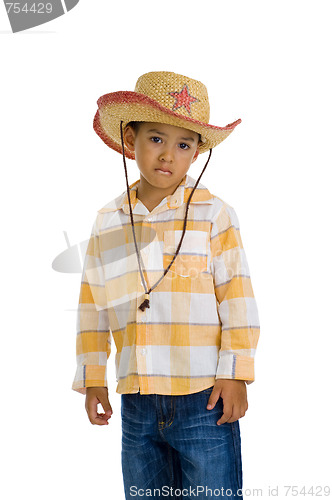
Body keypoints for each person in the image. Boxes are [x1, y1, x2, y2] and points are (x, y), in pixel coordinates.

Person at [72, 71, 260, 499]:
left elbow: (237, 298)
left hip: (204, 398)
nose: (167, 156)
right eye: (156, 139)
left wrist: (236, 375)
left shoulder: (214, 214)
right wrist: (93, 376)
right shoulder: (109, 220)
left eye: (183, 144)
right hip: (137, 400)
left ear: (196, 154)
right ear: (131, 138)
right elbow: (94, 304)